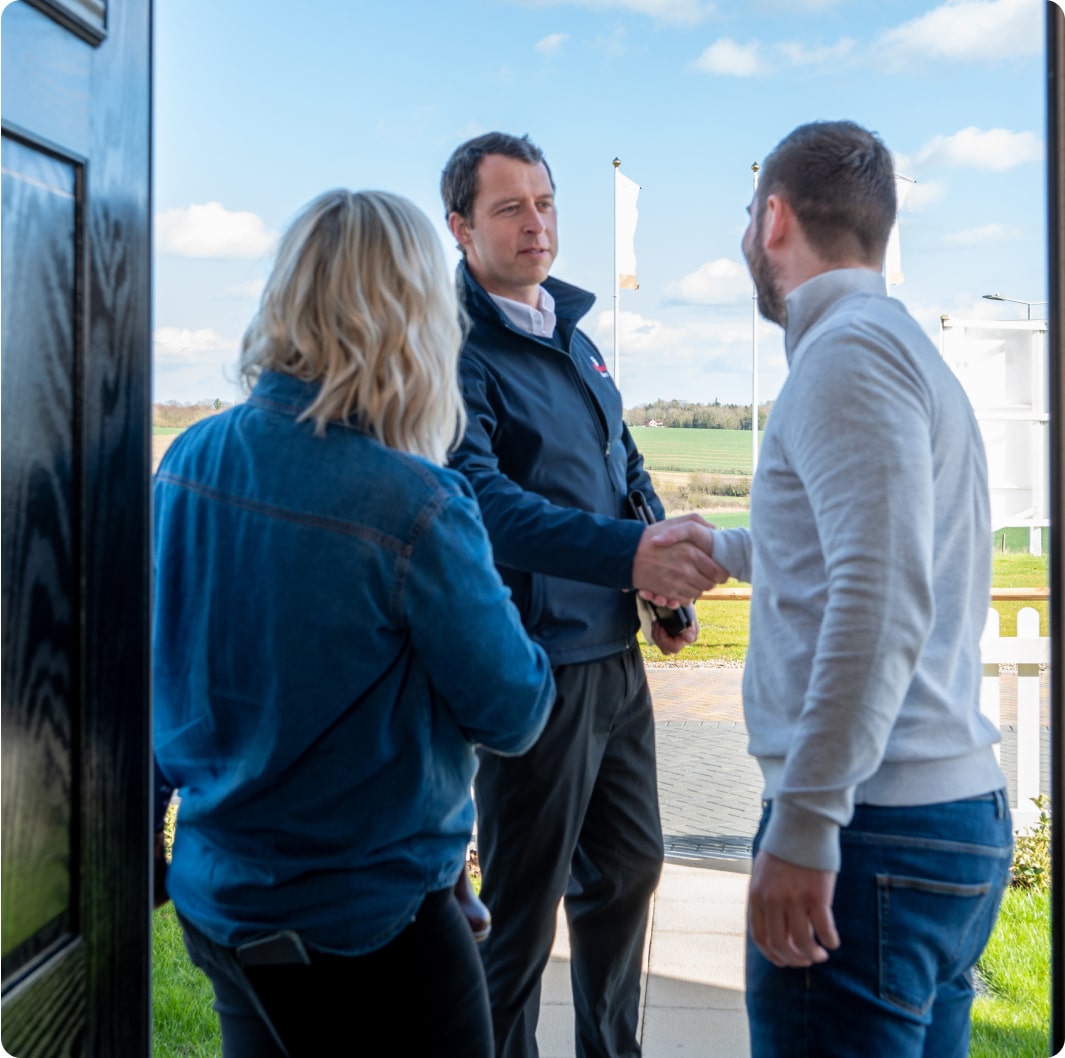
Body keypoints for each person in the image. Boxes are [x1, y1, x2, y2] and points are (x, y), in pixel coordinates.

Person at [152, 188, 556, 1058]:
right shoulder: (416, 503)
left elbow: (150, 668)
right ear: (411, 318)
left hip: (225, 905)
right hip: (369, 927)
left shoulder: (189, 458)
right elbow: (514, 711)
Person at [685, 120, 1012, 1057]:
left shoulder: (846, 357)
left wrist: (805, 822)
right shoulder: (891, 345)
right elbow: (865, 547)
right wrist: (731, 547)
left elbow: (881, 595)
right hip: (923, 832)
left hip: (874, 831)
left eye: (750, 217)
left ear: (774, 219)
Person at [439, 131, 727, 1058]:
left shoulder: (577, 338)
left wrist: (659, 585)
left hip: (611, 657)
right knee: (519, 913)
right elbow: (483, 505)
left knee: (630, 870)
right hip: (529, 666)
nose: (537, 224)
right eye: (509, 207)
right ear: (459, 227)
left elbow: (623, 469)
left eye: (547, 203)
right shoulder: (456, 351)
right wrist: (628, 553)